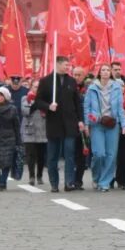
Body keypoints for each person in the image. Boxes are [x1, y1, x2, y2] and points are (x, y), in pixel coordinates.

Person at [34, 56, 85, 192]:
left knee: (69, 154)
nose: (67, 67)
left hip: (70, 123)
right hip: (54, 123)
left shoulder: (72, 81)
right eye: (64, 64)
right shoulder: (46, 81)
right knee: (53, 156)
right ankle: (54, 183)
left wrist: (80, 120)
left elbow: (77, 103)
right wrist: (48, 106)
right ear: (56, 64)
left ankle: (69, 182)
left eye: (68, 65)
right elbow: (38, 101)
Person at [84, 64, 125, 192]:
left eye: (107, 70)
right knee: (99, 154)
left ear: (110, 73)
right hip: (97, 124)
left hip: (112, 124)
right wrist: (87, 124)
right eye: (103, 70)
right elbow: (86, 108)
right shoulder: (92, 88)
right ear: (99, 73)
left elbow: (121, 107)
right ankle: (96, 177)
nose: (105, 72)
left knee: (111, 155)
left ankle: (104, 182)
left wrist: (124, 124)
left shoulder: (116, 88)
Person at [0, 88, 21, 190]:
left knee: (7, 161)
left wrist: (18, 140)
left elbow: (16, 125)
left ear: (5, 97)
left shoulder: (12, 109)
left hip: (9, 138)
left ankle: (3, 181)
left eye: (1, 95)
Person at [21, 80, 48, 185]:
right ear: (31, 87)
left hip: (42, 129)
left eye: (39, 87)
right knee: (30, 155)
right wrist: (34, 103)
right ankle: (31, 176)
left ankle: (40, 176)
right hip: (30, 129)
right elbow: (25, 111)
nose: (37, 89)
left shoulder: (46, 99)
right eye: (35, 87)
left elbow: (49, 111)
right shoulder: (25, 98)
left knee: (41, 155)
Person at [5, 75, 29, 181]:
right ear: (11, 82)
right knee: (10, 148)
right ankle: (10, 167)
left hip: (22, 122)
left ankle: (17, 170)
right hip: (8, 123)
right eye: (13, 83)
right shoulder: (5, 91)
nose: (15, 85)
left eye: (17, 83)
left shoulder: (26, 91)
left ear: (20, 83)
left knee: (19, 148)